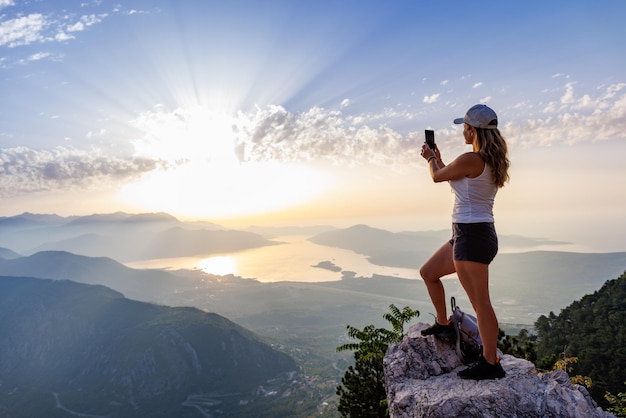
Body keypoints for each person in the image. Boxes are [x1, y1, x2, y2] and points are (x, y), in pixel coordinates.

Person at [418, 104, 510, 380]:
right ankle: (444, 323)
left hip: (472, 237)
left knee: (481, 303)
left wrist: (429, 159)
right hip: (470, 234)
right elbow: (451, 177)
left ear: (472, 130)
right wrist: (439, 160)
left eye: (464, 127)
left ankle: (490, 363)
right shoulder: (487, 160)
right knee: (429, 273)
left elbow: (436, 176)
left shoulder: (472, 159)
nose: (462, 131)